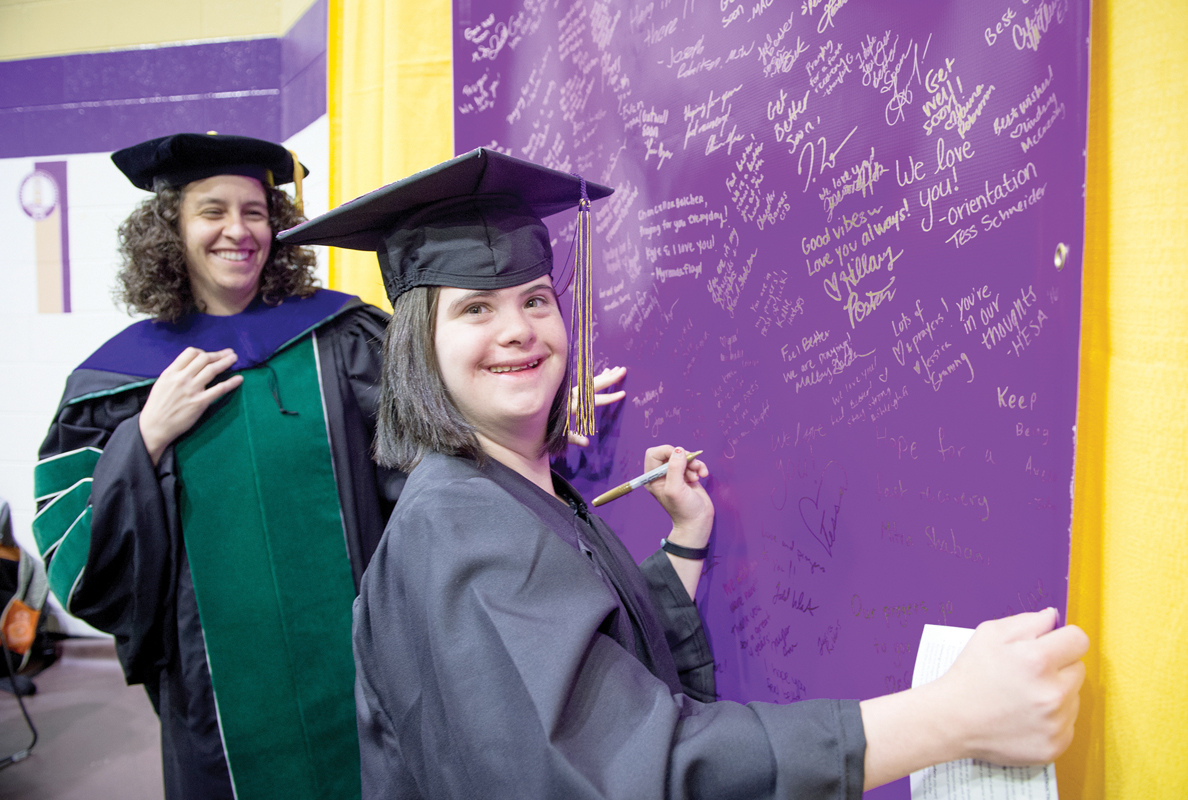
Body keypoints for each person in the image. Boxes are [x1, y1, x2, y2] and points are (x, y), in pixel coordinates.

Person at [279, 149, 1089, 799]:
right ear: (420, 342)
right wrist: (948, 719)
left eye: (535, 299)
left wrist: (687, 544)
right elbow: (627, 768)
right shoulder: (458, 528)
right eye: (474, 310)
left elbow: (585, 671)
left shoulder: (510, 487)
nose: (518, 331)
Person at [32, 133, 405, 800]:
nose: (238, 230)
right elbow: (77, 553)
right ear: (170, 227)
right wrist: (142, 438)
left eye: (255, 212)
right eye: (212, 210)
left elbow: (425, 459)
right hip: (216, 697)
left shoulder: (341, 339)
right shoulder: (117, 384)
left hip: (361, 670)